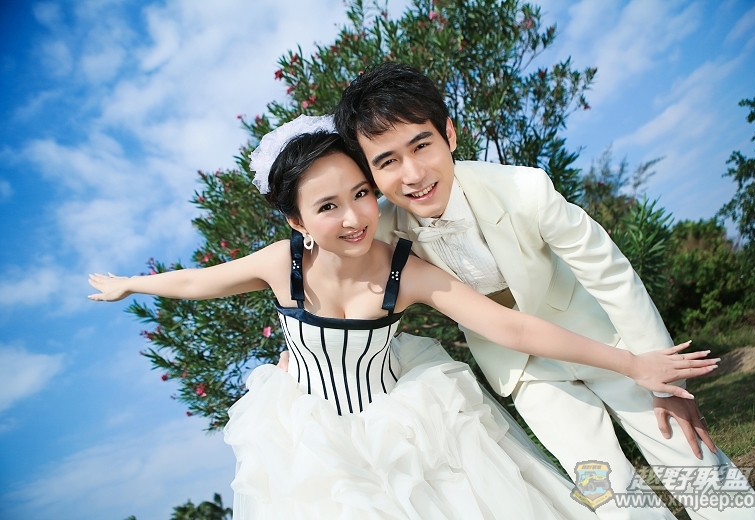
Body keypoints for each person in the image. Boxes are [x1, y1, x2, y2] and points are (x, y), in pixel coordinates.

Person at [88, 117, 715, 520]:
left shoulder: (403, 270)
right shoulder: (282, 264)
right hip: (308, 435)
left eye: (362, 193)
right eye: (328, 206)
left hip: (406, 423)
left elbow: (512, 328)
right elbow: (197, 280)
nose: (354, 216)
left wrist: (631, 362)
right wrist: (131, 284)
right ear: (297, 221)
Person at [333, 62, 755, 520]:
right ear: (370, 175)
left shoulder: (525, 189)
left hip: (601, 337)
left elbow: (609, 273)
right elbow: (335, 278)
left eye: (421, 145)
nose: (413, 174)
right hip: (523, 369)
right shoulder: (382, 232)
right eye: (387, 162)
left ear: (449, 134)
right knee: (603, 485)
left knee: (687, 452)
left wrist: (665, 377)